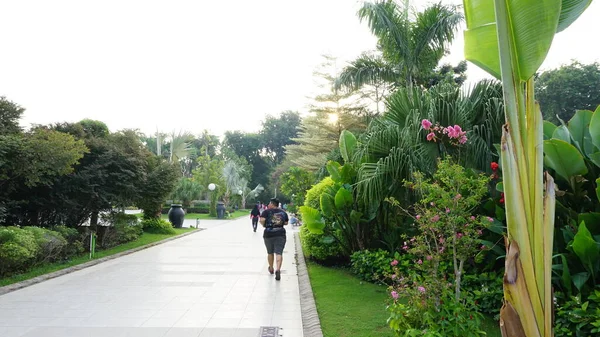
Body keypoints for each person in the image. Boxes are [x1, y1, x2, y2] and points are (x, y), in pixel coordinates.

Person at [260, 198, 288, 281]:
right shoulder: (283, 212)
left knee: (270, 252)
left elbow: (262, 220)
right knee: (279, 252)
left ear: (272, 204)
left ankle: (271, 268)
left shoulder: (266, 211)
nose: (268, 205)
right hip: (280, 234)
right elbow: (286, 222)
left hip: (268, 234)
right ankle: (278, 269)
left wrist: (264, 225)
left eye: (269, 203)